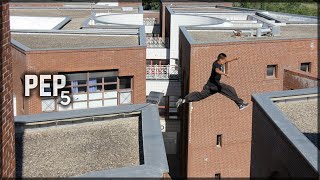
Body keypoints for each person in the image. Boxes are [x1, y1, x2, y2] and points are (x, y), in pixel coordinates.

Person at [176, 53, 249, 110]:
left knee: (200, 95)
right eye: (224, 60)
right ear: (220, 60)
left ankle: (184, 100)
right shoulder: (216, 65)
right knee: (230, 90)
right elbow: (217, 70)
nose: (225, 62)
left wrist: (235, 58)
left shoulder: (219, 61)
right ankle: (240, 104)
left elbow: (227, 60)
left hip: (209, 85)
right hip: (215, 86)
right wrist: (224, 74)